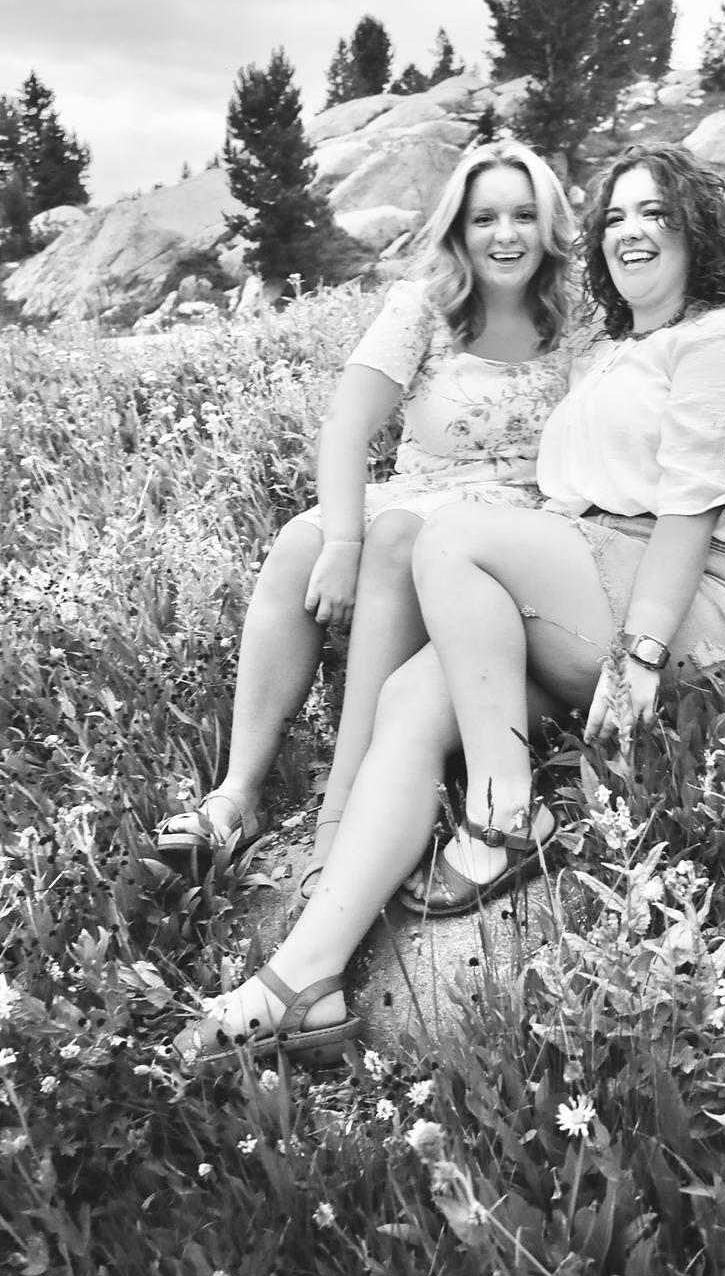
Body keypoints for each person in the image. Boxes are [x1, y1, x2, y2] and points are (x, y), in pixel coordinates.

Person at [172, 143, 725, 1073]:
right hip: (595, 579)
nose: (631, 231)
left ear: (696, 231)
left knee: (451, 535)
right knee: (409, 702)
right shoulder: (610, 346)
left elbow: (692, 510)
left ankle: (503, 813)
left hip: (701, 594)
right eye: (617, 215)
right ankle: (304, 979)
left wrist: (638, 656)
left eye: (656, 214)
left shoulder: (720, 337)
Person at [156, 140, 577, 904]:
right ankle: (238, 796)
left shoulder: (578, 315)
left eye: (524, 215)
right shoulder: (424, 305)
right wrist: (340, 543)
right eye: (484, 218)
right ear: (458, 228)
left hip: (516, 518)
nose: (505, 235)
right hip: (422, 490)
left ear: (550, 224)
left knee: (398, 537)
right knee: (300, 543)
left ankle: (342, 815)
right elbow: (347, 426)